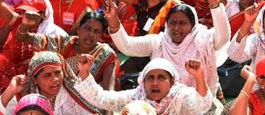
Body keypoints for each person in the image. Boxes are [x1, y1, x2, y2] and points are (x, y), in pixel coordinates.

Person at [102, 0, 229, 110]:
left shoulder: (203, 39)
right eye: (172, 23)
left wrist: (214, 3)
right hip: (163, 107)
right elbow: (127, 46)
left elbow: (223, 38)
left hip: (200, 106)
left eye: (183, 23)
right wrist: (112, 18)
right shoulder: (160, 42)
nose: (176, 28)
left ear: (193, 25)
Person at [75, 55, 214, 115]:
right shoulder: (137, 97)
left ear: (172, 82)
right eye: (150, 78)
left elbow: (200, 105)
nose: (154, 83)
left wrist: (199, 77)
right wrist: (84, 72)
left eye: (161, 78)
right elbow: (102, 99)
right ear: (143, 81)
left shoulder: (180, 97)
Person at [17, 11, 118, 90]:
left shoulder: (105, 54)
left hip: (85, 104)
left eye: (97, 31)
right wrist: (25, 24)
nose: (91, 34)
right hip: (54, 95)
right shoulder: (64, 43)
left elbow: (108, 90)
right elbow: (23, 38)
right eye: (87, 28)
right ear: (79, 29)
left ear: (101, 37)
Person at [0, 51, 101, 114]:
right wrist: (11, 90)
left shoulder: (74, 92)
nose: (55, 79)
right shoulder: (23, 96)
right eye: (47, 75)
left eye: (58, 73)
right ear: (35, 79)